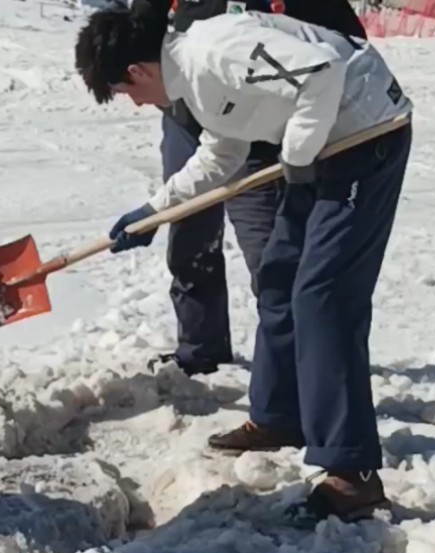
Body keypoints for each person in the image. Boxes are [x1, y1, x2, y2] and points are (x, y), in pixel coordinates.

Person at [75, 5, 412, 521]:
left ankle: (353, 472)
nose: (136, 103)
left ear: (138, 71)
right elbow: (222, 154)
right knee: (279, 279)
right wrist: (153, 212)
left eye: (126, 91)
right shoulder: (195, 78)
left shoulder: (216, 50)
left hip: (366, 136)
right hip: (323, 145)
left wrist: (298, 155)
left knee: (323, 296)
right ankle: (281, 415)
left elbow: (321, 69)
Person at [135, 0, 368, 377]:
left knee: (270, 255)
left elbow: (340, 45)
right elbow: (140, 27)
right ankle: (200, 347)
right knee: (190, 237)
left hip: (258, 129)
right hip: (185, 114)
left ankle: (293, 366)